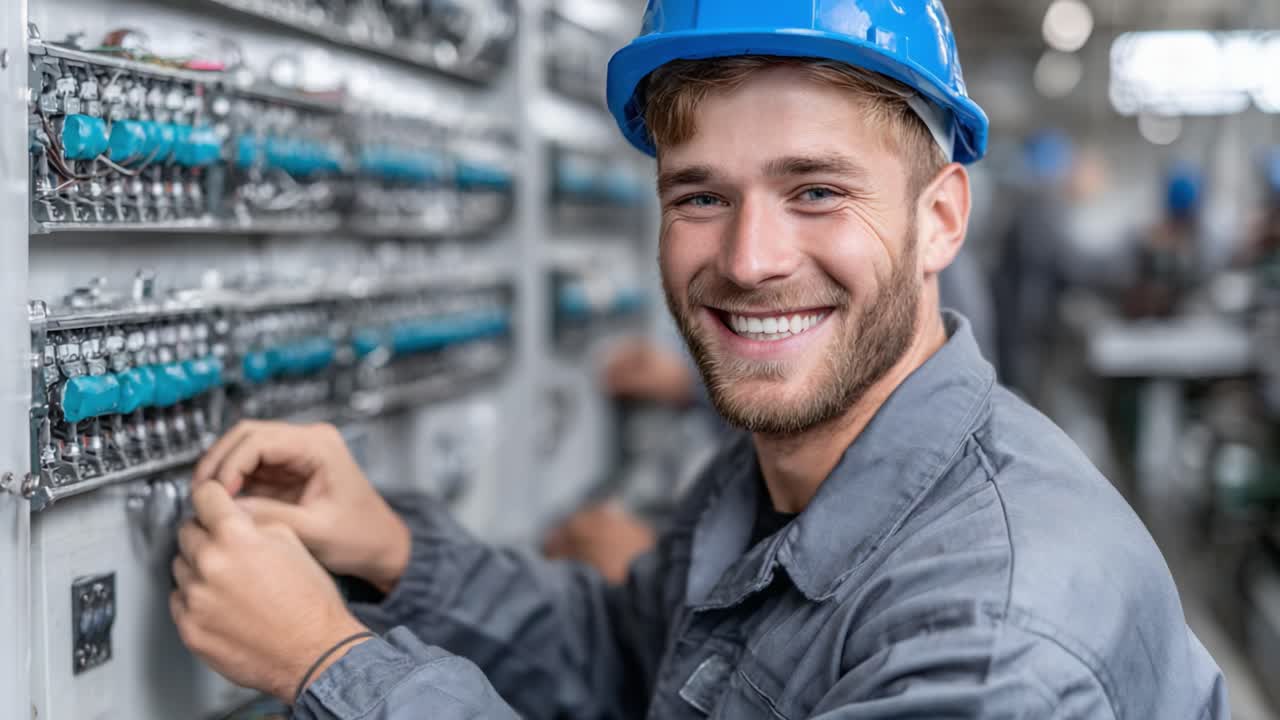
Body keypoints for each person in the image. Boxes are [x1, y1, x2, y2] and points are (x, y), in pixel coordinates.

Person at [168, 1, 1228, 717]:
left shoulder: (993, 640)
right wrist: (395, 549)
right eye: (701, 197)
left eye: (815, 189)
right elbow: (627, 659)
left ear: (940, 217)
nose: (749, 260)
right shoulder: (786, 473)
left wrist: (331, 663)